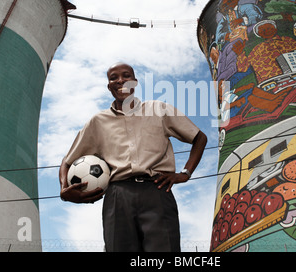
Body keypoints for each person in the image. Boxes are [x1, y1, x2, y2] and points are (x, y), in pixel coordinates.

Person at [59, 62, 207, 252]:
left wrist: (185, 173)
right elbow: (67, 161)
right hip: (117, 196)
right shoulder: (97, 122)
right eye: (114, 78)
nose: (120, 80)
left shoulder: (159, 109)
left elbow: (199, 138)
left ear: (135, 82)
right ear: (108, 86)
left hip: (157, 190)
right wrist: (64, 189)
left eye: (126, 75)